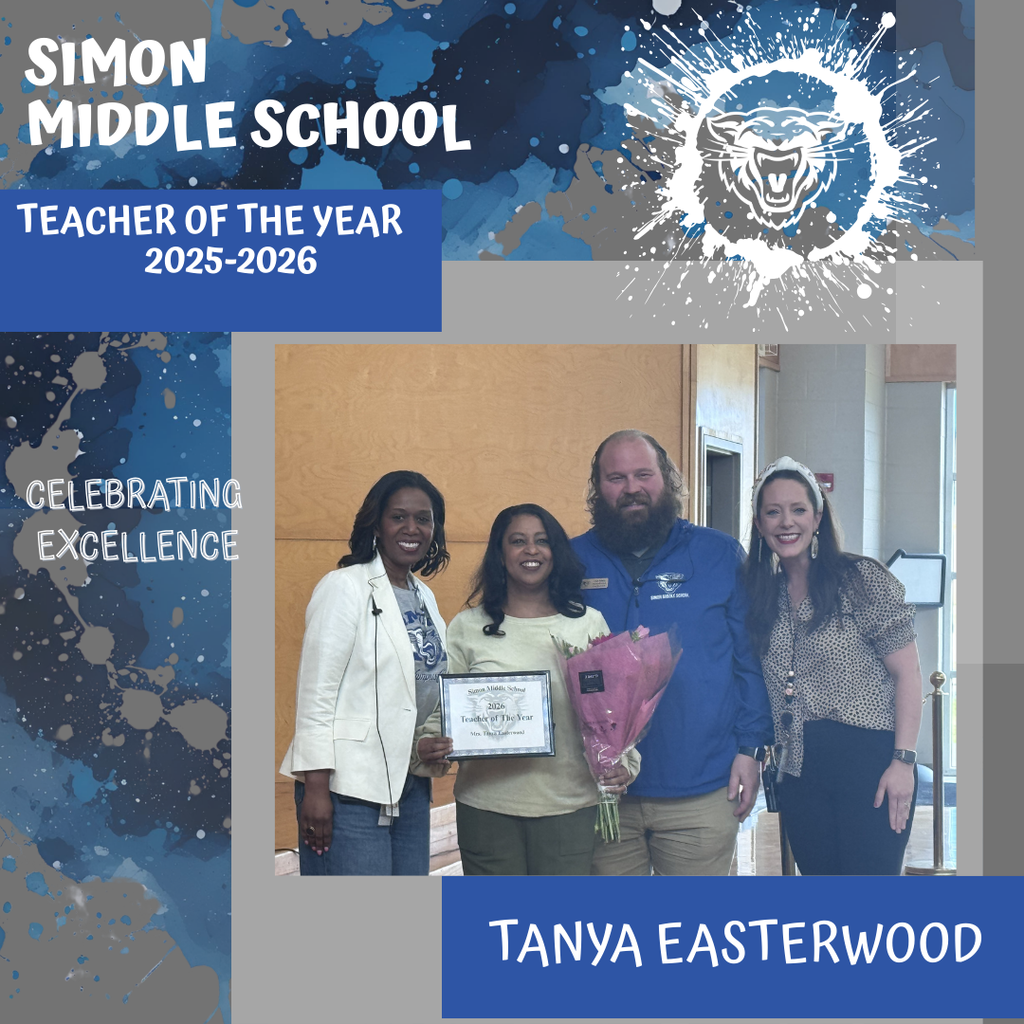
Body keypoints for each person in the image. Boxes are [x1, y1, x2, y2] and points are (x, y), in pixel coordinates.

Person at [571, 429, 772, 876]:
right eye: (616, 477)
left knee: (694, 937)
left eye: (643, 474)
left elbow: (750, 661)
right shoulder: (572, 561)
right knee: (616, 937)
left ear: (667, 479)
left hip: (702, 789)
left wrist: (751, 749)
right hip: (603, 795)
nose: (631, 488)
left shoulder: (719, 555)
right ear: (597, 487)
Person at [744, 456, 923, 875]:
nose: (786, 522)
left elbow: (908, 674)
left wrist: (903, 761)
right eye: (773, 511)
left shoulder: (861, 579)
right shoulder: (760, 595)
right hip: (799, 772)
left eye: (798, 510)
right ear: (759, 524)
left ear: (818, 516)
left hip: (870, 766)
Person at [279, 471, 454, 875]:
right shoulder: (345, 586)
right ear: (376, 524)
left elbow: (423, 689)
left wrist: (428, 744)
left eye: (424, 519)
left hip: (408, 786)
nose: (412, 528)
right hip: (346, 790)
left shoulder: (423, 595)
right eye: (399, 517)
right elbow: (316, 695)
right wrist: (316, 789)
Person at [447, 503, 637, 875]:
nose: (531, 550)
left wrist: (624, 765)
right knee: (495, 929)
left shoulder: (587, 624)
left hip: (569, 806)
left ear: (556, 552)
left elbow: (616, 711)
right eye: (517, 541)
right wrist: (435, 744)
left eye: (541, 541)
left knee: (557, 930)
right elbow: (444, 714)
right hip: (486, 806)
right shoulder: (466, 627)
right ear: (500, 555)